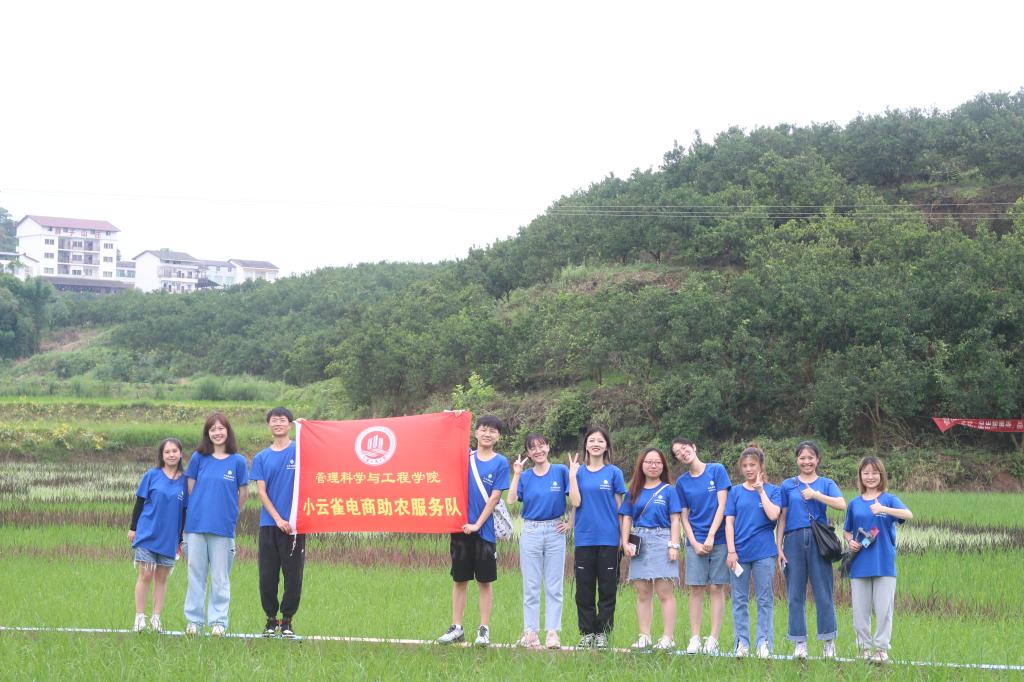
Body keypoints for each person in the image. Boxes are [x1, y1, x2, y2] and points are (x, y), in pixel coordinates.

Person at [437, 415, 510, 647]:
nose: (487, 434)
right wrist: (451, 418)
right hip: (460, 529)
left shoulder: (500, 462)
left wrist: (477, 524)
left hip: (484, 531)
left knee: (484, 582)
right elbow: (443, 446)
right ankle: (457, 627)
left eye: (493, 431)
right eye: (483, 429)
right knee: (460, 580)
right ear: (476, 432)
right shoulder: (464, 456)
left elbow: (495, 497)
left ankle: (484, 629)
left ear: (498, 437)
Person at [507, 433, 578, 649]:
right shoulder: (526, 476)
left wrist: (570, 523)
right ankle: (531, 633)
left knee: (554, 585)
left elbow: (576, 500)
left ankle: (552, 633)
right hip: (531, 531)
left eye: (541, 446)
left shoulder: (561, 471)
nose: (538, 451)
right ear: (528, 453)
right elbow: (511, 500)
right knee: (531, 585)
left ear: (548, 447)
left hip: (555, 531)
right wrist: (516, 474)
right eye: (532, 448)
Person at [776, 440, 846, 659]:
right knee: (795, 594)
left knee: (823, 592)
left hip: (818, 541)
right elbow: (782, 517)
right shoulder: (788, 485)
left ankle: (828, 642)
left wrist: (816, 495)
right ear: (797, 460)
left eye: (810, 458)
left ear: (818, 459)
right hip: (793, 540)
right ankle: (799, 643)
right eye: (802, 458)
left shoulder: (826, 483)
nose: (806, 462)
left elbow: (841, 504)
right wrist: (779, 547)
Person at [183, 412, 249, 636]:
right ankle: (194, 622)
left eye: (221, 428)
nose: (217, 433)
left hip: (223, 528)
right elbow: (191, 489)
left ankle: (218, 622)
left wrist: (230, 514)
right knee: (196, 575)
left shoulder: (238, 461)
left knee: (220, 577)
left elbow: (243, 494)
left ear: (228, 431)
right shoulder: (198, 458)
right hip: (196, 527)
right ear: (207, 433)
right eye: (213, 429)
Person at [843, 457, 912, 664]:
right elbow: (847, 530)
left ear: (881, 475)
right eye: (866, 473)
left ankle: (881, 649)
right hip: (859, 564)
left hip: (884, 563)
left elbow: (908, 514)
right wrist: (850, 541)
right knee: (860, 611)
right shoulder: (854, 503)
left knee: (884, 610)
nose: (870, 477)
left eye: (874, 473)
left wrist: (884, 510)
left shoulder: (889, 499)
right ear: (860, 476)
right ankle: (863, 648)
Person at [672, 437, 731, 655]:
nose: (683, 453)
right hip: (695, 541)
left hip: (720, 539)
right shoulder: (682, 483)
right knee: (696, 588)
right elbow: (684, 516)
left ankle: (713, 638)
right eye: (677, 453)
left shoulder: (716, 470)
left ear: (694, 447)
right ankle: (695, 637)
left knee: (716, 587)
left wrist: (711, 535)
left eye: (684, 448)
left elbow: (722, 505)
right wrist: (695, 542)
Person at [619, 447, 681, 651]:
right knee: (643, 592)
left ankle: (668, 637)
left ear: (663, 466)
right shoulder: (633, 490)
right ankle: (644, 635)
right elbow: (627, 518)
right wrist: (625, 542)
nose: (653, 466)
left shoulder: (669, 490)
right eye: (649, 462)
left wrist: (674, 545)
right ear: (641, 465)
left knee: (664, 592)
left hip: (663, 540)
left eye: (657, 462)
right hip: (640, 541)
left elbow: (675, 519)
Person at [570, 426, 626, 649]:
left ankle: (602, 633)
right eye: (591, 440)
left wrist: (623, 537)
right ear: (586, 445)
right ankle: (587, 633)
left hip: (609, 540)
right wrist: (572, 475)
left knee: (607, 589)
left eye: (600, 441)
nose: (596, 444)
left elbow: (620, 508)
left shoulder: (614, 473)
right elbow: (575, 503)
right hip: (584, 539)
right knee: (583, 589)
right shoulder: (578, 473)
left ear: (606, 446)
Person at [250, 407, 304, 638]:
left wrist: (306, 430)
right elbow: (261, 492)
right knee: (267, 576)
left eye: (283, 420)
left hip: (295, 526)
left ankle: (287, 621)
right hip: (269, 525)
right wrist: (278, 518)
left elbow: (321, 451)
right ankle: (271, 620)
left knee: (293, 577)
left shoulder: (300, 450)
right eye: (274, 420)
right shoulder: (261, 457)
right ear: (269, 425)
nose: (279, 423)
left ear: (290, 424)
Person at [724, 443, 781, 659]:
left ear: (761, 466)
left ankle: (763, 643)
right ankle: (742, 643)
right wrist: (731, 551)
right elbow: (729, 523)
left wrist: (760, 490)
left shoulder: (773, 491)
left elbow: (773, 515)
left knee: (765, 599)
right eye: (745, 465)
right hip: (739, 554)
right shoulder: (735, 492)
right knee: (739, 599)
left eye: (753, 465)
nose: (749, 469)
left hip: (764, 553)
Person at [128, 438, 188, 633]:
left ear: (180, 453)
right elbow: (139, 503)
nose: (171, 455)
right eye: (167, 452)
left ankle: (156, 619)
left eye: (174, 451)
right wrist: (133, 528)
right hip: (147, 532)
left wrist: (181, 539)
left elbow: (185, 512)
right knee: (145, 574)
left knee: (161, 578)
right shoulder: (151, 475)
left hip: (170, 537)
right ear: (162, 455)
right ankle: (139, 618)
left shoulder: (186, 481)